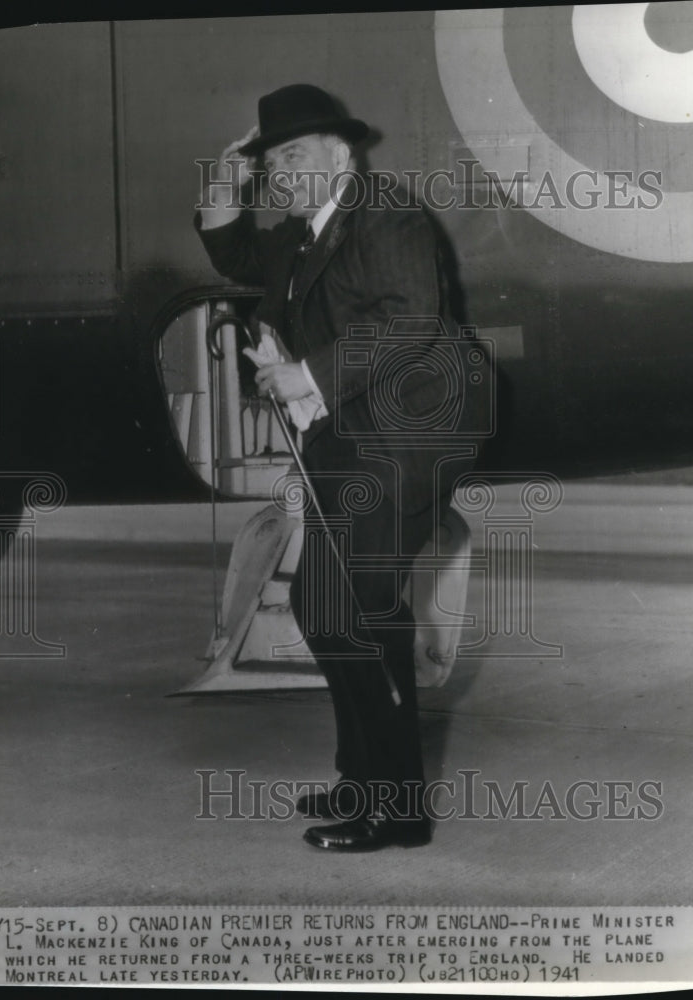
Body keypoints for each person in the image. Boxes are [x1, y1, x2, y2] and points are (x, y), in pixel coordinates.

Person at [196, 84, 487, 851]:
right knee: (332, 611)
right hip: (359, 434)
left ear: (340, 152)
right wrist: (222, 189)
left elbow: (411, 319)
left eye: (295, 153)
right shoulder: (301, 231)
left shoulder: (384, 215)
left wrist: (309, 378)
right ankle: (368, 783)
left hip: (418, 428)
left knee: (349, 611)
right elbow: (233, 251)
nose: (281, 172)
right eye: (271, 162)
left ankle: (396, 810)